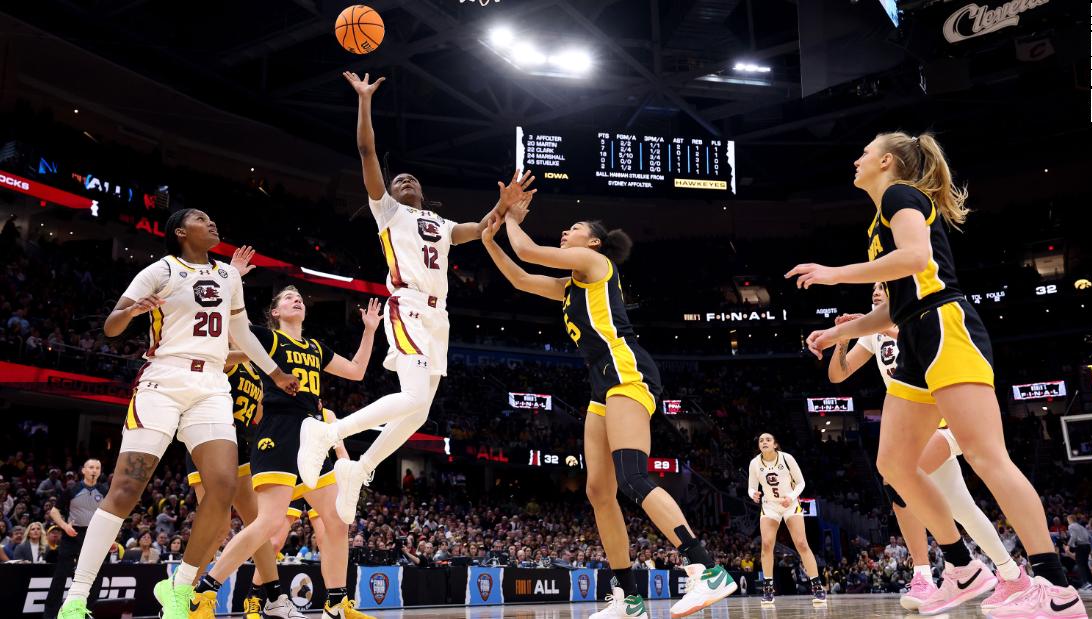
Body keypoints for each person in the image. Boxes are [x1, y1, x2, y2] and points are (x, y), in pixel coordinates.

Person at [787, 131, 1085, 618]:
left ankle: (1054, 586)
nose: (856, 159)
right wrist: (835, 334)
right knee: (896, 465)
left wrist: (834, 273)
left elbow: (918, 259)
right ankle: (963, 567)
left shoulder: (902, 196)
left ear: (886, 161)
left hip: (946, 327)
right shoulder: (878, 221)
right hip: (914, 335)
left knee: (989, 458)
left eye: (864, 152)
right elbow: (897, 311)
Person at [480, 197, 737, 619]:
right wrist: (490, 240)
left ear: (594, 242)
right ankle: (630, 599)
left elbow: (527, 251)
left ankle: (706, 569)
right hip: (601, 384)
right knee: (599, 491)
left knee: (633, 476)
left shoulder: (593, 264)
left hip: (626, 369)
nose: (566, 233)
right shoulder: (570, 287)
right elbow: (520, 277)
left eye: (574, 227)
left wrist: (509, 216)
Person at [295, 72, 534, 521]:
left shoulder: (442, 226)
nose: (403, 180)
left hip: (438, 318)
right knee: (410, 396)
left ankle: (360, 468)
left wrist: (505, 205)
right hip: (405, 306)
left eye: (410, 178)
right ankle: (326, 434)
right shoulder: (387, 211)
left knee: (420, 412)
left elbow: (482, 229)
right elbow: (367, 151)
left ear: (423, 192)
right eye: (397, 177)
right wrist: (365, 101)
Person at [58, 210, 300, 619]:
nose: (212, 222)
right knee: (126, 489)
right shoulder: (161, 270)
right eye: (202, 219)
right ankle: (77, 596)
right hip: (163, 380)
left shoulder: (229, 277)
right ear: (181, 232)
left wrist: (274, 372)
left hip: (211, 385)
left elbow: (239, 334)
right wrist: (134, 311)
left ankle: (180, 589)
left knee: (223, 488)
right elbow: (111, 327)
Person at [827, 283, 1026, 611]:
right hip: (917, 427)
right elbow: (838, 376)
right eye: (874, 287)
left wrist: (877, 325)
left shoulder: (917, 318)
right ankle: (1013, 576)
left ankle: (930, 573)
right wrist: (842, 341)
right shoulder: (872, 333)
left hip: (949, 418)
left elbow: (913, 342)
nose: (876, 291)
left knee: (897, 474)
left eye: (883, 285)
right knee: (962, 509)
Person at [186, 287, 380, 619]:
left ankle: (337, 603)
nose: (297, 299)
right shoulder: (267, 339)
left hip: (313, 435)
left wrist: (370, 330)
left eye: (300, 297)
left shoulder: (316, 348)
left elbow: (357, 371)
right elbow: (236, 327)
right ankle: (205, 592)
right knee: (270, 521)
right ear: (275, 313)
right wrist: (234, 283)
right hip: (279, 430)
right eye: (288, 298)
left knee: (337, 519)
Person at [747, 433, 827, 607]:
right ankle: (768, 590)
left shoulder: (786, 458)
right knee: (767, 544)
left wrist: (791, 497)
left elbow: (801, 483)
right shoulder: (754, 463)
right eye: (761, 440)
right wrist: (753, 494)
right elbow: (751, 487)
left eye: (768, 439)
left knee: (801, 544)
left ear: (775, 444)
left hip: (790, 504)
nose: (764, 442)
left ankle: (817, 586)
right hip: (770, 505)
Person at [43, 459, 107, 619]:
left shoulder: (105, 491)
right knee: (61, 575)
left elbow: (109, 518)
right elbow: (54, 512)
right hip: (72, 534)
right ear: (84, 470)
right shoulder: (73, 489)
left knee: (95, 577)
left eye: (97, 468)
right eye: (91, 467)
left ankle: (86, 613)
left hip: (94, 536)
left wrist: (109, 538)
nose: (94, 470)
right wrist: (65, 526)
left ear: (100, 471)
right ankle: (50, 615)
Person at [1067, 515, 1092, 589]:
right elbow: (1091, 538)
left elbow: (1074, 536)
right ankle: (1091, 582)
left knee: (1080, 565)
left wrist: (1068, 545)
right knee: (1085, 564)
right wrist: (1089, 546)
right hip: (1087, 546)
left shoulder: (1071, 526)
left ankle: (1085, 583)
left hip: (1080, 546)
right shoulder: (1081, 526)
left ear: (1070, 519)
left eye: (1068, 520)